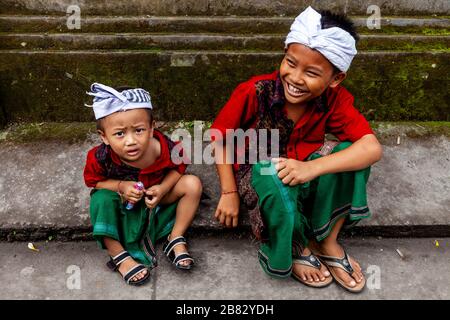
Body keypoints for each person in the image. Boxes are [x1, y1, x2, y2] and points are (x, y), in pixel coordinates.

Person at [210, 6, 382, 293]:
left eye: (312, 72)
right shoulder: (254, 91)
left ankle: (326, 241)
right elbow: (220, 139)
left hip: (305, 173)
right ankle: (295, 246)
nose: (296, 77)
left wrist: (311, 168)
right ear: (284, 54)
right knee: (269, 171)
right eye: (291, 62)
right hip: (262, 179)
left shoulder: (335, 100)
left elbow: (371, 147)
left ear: (335, 79)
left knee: (353, 151)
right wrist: (228, 192)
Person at [83, 83, 202, 286]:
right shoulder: (100, 157)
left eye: (139, 130)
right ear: (104, 137)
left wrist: (163, 188)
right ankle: (118, 254)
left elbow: (179, 167)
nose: (131, 141)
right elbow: (95, 182)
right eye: (119, 134)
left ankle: (175, 237)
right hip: (124, 206)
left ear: (152, 127)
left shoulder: (165, 147)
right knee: (100, 199)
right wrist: (121, 187)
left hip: (156, 200)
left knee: (192, 183)